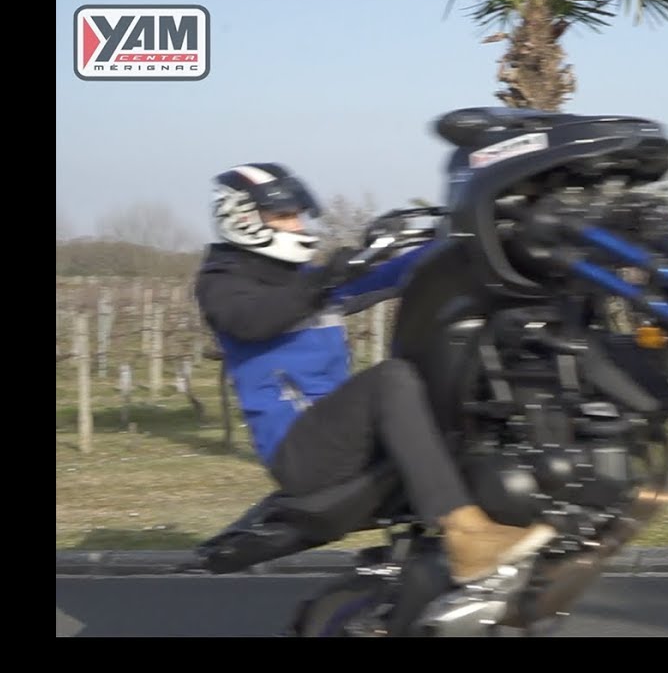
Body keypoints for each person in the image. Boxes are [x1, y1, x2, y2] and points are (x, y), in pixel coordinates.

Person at [194, 162, 555, 585]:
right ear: (242, 219)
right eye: (285, 215)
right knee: (390, 379)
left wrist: (459, 237)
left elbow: (391, 275)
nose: (298, 225)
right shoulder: (223, 282)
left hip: (342, 438)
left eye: (298, 214)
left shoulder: (304, 280)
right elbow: (250, 320)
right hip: (300, 451)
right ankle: (464, 533)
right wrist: (324, 281)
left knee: (452, 385)